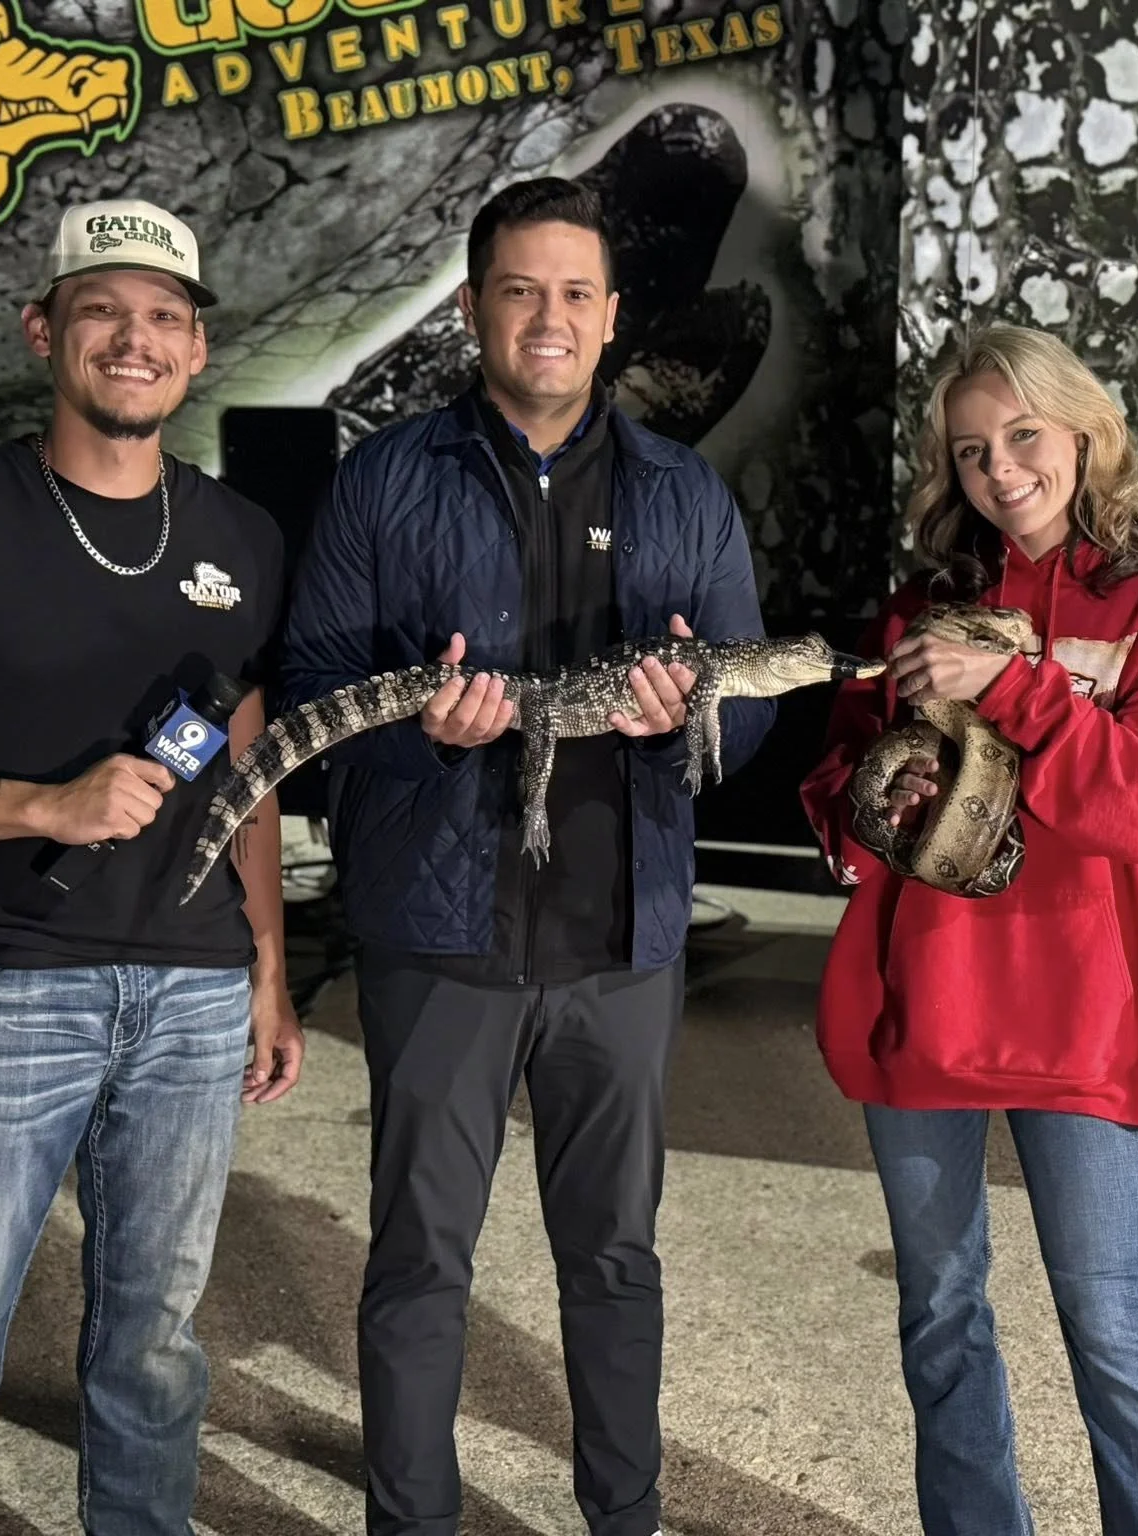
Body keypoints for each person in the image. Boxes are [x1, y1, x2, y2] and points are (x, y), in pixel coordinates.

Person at [0, 198, 304, 1536]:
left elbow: (244, 775)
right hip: (7, 983)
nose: (133, 341)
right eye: (101, 313)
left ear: (197, 350)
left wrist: (266, 960)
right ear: (44, 332)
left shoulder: (242, 540)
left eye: (163, 319)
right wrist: (47, 805)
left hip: (195, 996)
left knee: (155, 1342)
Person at [282, 175, 774, 1536]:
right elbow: (319, 684)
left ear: (612, 318)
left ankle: (624, 1518)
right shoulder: (385, 481)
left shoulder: (687, 495)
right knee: (420, 1260)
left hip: (621, 938)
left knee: (614, 1259)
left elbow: (763, 699)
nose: (546, 319)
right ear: (473, 308)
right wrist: (425, 733)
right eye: (518, 291)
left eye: (573, 294)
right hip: (437, 933)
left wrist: (696, 715)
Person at [799, 324, 1138, 1536]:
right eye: (972, 451)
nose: (1000, 470)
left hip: (1079, 1018)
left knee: (1109, 1320)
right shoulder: (921, 609)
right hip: (923, 1000)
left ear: (1082, 431)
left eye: (1022, 437)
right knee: (938, 1310)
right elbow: (837, 782)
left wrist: (1019, 687)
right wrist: (870, 804)